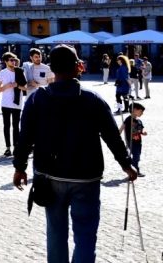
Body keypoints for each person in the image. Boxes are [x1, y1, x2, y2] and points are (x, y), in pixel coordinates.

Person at [12, 45, 137, 263]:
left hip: (49, 176)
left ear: (51, 69)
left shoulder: (37, 99)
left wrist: (19, 167)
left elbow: (25, 137)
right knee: (86, 236)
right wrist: (127, 164)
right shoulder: (93, 99)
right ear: (79, 66)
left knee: (56, 233)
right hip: (86, 178)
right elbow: (112, 136)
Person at [0, 52, 24, 157]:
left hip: (17, 102)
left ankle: (16, 147)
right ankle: (8, 147)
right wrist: (7, 86)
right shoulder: (2, 73)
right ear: (6, 61)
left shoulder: (20, 71)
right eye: (11, 60)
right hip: (6, 103)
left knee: (16, 126)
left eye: (14, 60)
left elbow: (25, 87)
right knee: (6, 126)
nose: (14, 62)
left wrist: (17, 85)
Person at [120, 102, 146, 176]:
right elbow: (122, 128)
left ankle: (130, 167)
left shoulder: (139, 121)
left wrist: (143, 133)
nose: (142, 113)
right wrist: (117, 135)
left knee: (137, 156)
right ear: (134, 110)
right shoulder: (128, 119)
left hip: (138, 142)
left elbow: (140, 130)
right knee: (135, 156)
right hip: (131, 142)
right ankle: (135, 170)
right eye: (141, 111)